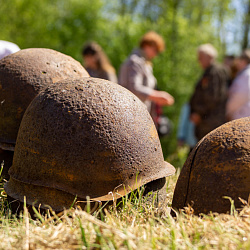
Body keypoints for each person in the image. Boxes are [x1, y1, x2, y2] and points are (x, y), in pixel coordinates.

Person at [118, 31, 174, 123]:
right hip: (130, 114)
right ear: (147, 45)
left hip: (138, 114)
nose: (156, 55)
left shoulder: (144, 63)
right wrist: (157, 95)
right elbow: (134, 88)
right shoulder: (135, 62)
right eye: (155, 50)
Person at [190, 44, 230, 141]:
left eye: (201, 57)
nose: (198, 60)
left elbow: (212, 96)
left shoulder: (215, 72)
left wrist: (198, 113)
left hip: (210, 122)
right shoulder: (211, 71)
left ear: (210, 56)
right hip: (208, 121)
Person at [226, 49, 250, 121]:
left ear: (243, 61)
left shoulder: (246, 75)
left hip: (242, 115)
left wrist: (228, 110)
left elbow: (240, 96)